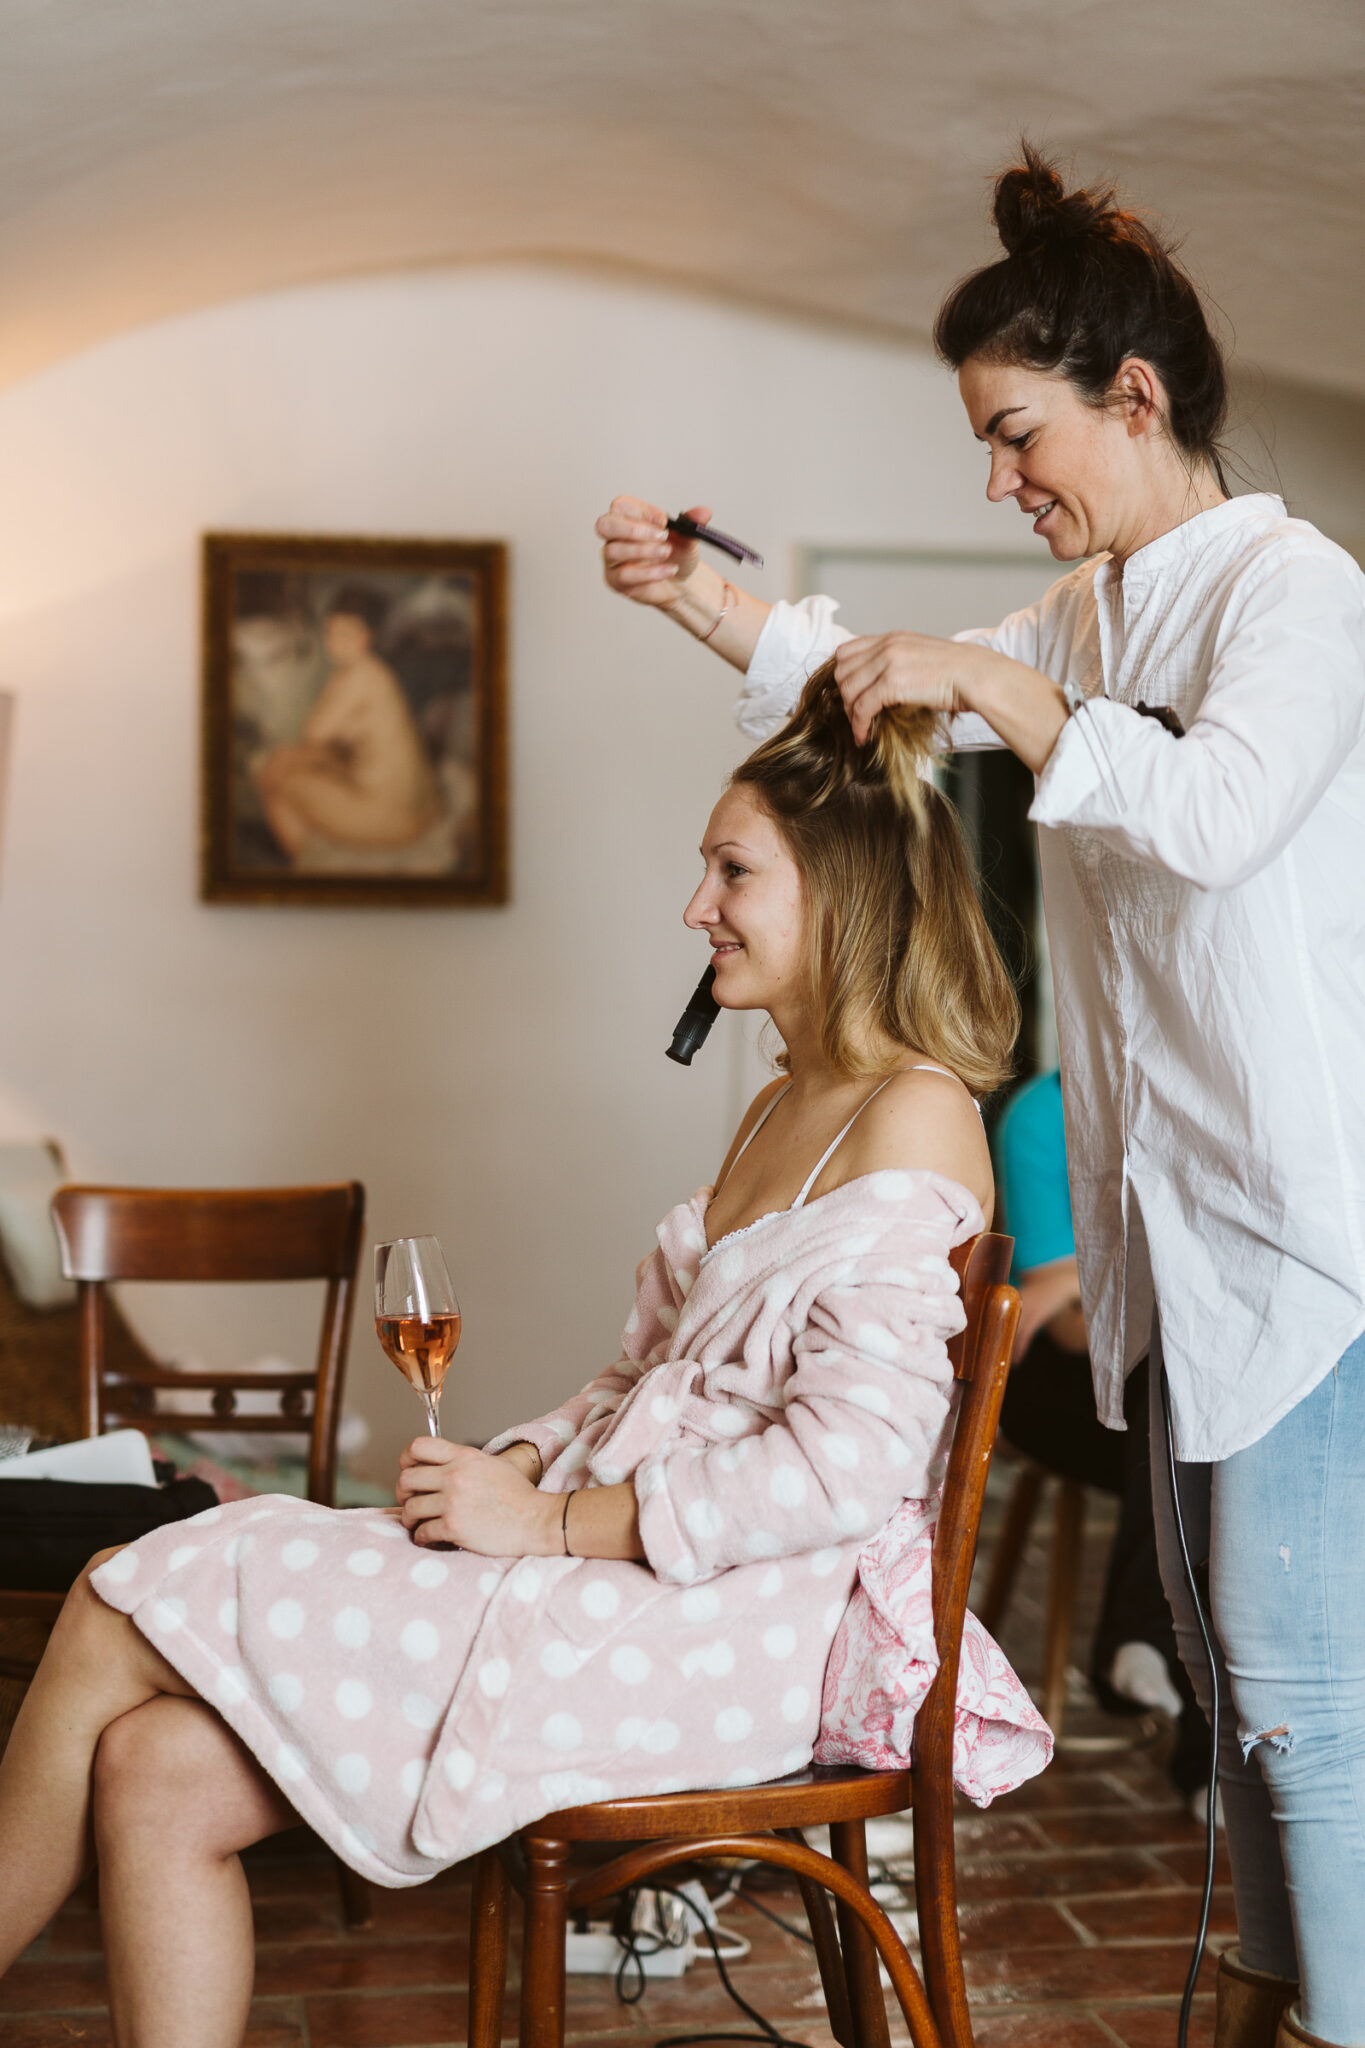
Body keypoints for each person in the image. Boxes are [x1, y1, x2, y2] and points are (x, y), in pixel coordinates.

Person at [597, 145, 1365, 2048]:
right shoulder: (1093, 618)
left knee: (1303, 1688)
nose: (1002, 482)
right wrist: (712, 604)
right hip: (1166, 1231)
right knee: (1221, 1672)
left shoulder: (1297, 595)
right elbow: (875, 678)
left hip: (1309, 1228)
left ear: (1135, 395)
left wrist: (991, 687)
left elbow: (1209, 809)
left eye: (1018, 435)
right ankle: (1275, 1994)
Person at [0, 671, 1047, 2048]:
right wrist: (519, 1461)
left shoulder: (913, 1118)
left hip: (731, 1627)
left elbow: (847, 1469)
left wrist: (551, 1524)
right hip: (630, 1580)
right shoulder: (787, 1103)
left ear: (842, 892)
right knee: (154, 1768)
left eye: (731, 871)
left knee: (116, 1590)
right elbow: (638, 1381)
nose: (697, 908)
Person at [995, 1070, 1212, 1807]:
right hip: (1060, 1382)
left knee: (1205, 1418)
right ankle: (1205, 1765)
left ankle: (1142, 1641)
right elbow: (1062, 1319)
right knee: (1186, 1400)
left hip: (1172, 1382)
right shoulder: (1045, 1113)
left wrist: (1109, 1280)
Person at [254, 584, 440, 859]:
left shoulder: (359, 675)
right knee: (286, 763)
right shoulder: (378, 672)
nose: (334, 642)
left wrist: (283, 762)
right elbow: (334, 743)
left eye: (346, 634)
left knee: (276, 782)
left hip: (393, 817)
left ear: (368, 637)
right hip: (415, 808)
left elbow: (313, 732)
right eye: (331, 632)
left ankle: (310, 866)